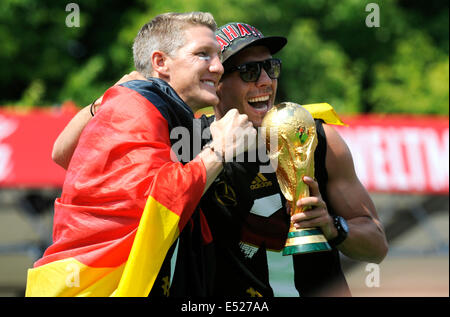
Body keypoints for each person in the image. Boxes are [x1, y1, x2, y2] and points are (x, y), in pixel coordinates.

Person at [51, 22, 388, 297]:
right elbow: (69, 158)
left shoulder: (315, 136)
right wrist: (112, 96)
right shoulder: (187, 141)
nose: (266, 81)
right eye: (249, 71)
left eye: (271, 67)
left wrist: (334, 227)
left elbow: (376, 245)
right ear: (216, 83)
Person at [25, 12, 257, 297]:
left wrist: (108, 96)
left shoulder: (137, 102)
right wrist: (221, 150)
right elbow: (157, 202)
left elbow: (63, 155)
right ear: (160, 63)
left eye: (218, 56)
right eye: (203, 54)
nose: (218, 67)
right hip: (88, 287)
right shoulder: (138, 109)